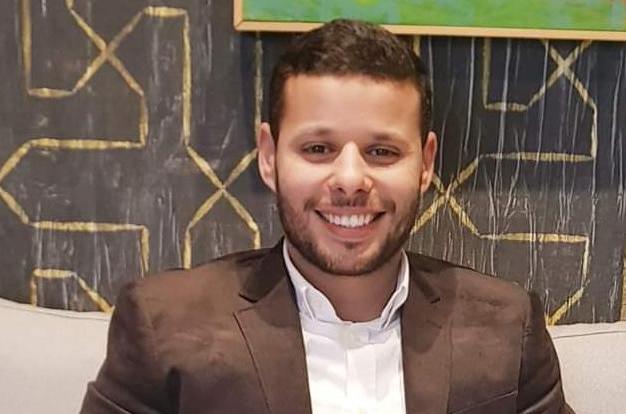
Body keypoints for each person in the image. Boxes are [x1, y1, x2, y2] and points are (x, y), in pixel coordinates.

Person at [80, 19, 572, 414]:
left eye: (382, 151)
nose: (351, 179)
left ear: (425, 164)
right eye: (318, 148)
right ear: (269, 156)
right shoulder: (164, 326)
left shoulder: (508, 327)